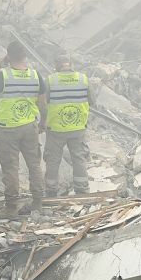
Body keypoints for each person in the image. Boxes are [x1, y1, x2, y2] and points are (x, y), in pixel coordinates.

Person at [0, 41, 47, 217]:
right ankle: (38, 204)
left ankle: (11, 207)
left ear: (8, 56)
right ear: (25, 56)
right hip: (29, 127)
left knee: (11, 167)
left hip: (8, 129)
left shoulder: (3, 75)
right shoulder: (35, 75)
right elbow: (42, 102)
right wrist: (43, 123)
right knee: (34, 165)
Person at [43, 53, 90, 197]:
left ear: (57, 65)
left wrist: (42, 122)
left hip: (56, 129)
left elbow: (43, 104)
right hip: (78, 127)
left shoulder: (50, 80)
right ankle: (81, 190)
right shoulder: (83, 79)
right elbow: (91, 100)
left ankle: (51, 191)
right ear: (70, 64)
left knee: (53, 160)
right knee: (79, 158)